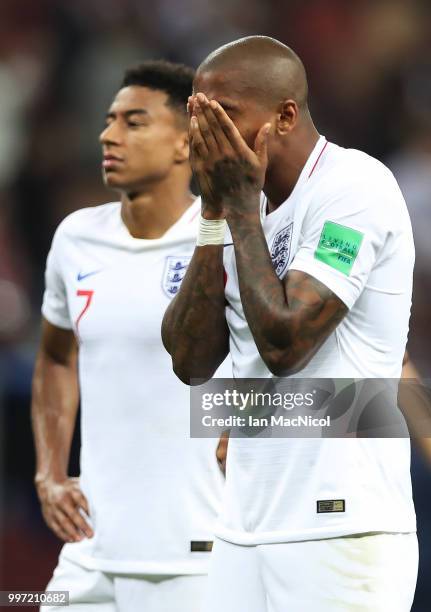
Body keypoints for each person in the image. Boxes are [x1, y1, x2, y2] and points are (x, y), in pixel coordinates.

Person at [162, 36, 418, 611]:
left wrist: (239, 209)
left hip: (341, 527)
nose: (204, 134)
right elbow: (190, 361)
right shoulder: (233, 203)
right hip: (241, 525)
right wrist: (213, 215)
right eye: (197, 114)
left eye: (223, 114)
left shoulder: (355, 189)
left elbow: (286, 342)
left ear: (284, 115)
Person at [32, 60, 225, 612]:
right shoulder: (76, 237)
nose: (108, 135)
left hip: (197, 554)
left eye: (134, 122)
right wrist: (50, 472)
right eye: (109, 120)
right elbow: (55, 357)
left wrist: (252, 420)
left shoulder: (227, 240)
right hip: (90, 550)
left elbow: (295, 366)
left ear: (185, 144)